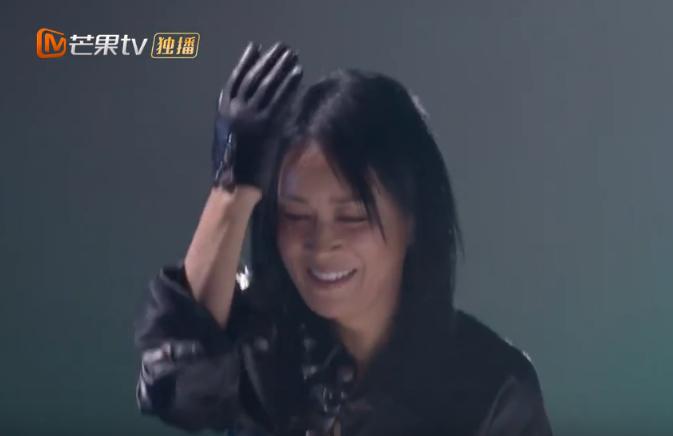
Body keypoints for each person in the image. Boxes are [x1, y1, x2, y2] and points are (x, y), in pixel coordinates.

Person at [133, 41, 554, 436]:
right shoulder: (261, 346)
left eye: (352, 216)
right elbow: (176, 384)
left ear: (413, 220)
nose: (321, 243)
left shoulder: (492, 388)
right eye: (296, 215)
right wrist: (232, 187)